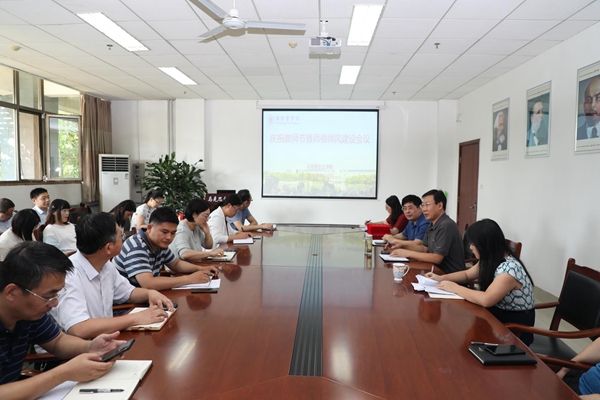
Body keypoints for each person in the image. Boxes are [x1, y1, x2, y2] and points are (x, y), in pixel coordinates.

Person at [0, 241, 124, 399]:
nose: (54, 303)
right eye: (48, 296)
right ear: (11, 292)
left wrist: (90, 347)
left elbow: (57, 342)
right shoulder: (28, 311)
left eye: (57, 294)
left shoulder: (28, 314)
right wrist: (64, 373)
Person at [50, 213, 173, 339]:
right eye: (121, 237)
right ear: (108, 248)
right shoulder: (68, 276)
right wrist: (136, 318)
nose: (123, 240)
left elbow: (128, 293)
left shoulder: (105, 265)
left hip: (105, 340)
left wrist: (149, 293)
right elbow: (79, 328)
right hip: (80, 348)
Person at [425, 219, 535, 345]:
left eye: (473, 244)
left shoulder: (509, 270)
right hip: (495, 317)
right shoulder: (490, 259)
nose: (470, 247)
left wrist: (455, 288)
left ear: (484, 245)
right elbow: (467, 274)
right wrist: (441, 278)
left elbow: (486, 299)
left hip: (514, 330)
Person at [114, 207, 218, 291]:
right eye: (164, 232)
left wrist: (200, 269)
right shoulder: (137, 246)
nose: (169, 237)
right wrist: (189, 279)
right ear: (149, 228)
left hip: (147, 296)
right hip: (128, 304)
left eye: (173, 233)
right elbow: (148, 284)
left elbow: (176, 264)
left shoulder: (159, 243)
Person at [391, 190, 465, 274]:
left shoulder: (446, 225)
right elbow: (424, 249)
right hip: (434, 271)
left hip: (449, 275)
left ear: (440, 205)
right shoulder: (432, 224)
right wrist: (402, 246)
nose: (424, 209)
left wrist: (407, 253)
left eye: (427, 205)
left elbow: (437, 258)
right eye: (423, 205)